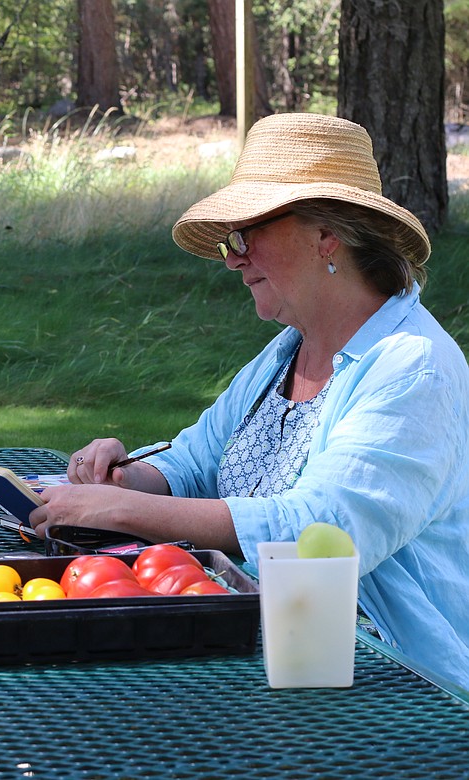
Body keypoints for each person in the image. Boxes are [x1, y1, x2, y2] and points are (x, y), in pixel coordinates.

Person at [28, 113, 469, 689]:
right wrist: (123, 477)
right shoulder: (290, 349)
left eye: (246, 233)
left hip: (391, 683)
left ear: (326, 236)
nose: (232, 257)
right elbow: (196, 461)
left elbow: (320, 532)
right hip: (270, 652)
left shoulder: (414, 367)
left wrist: (120, 511)